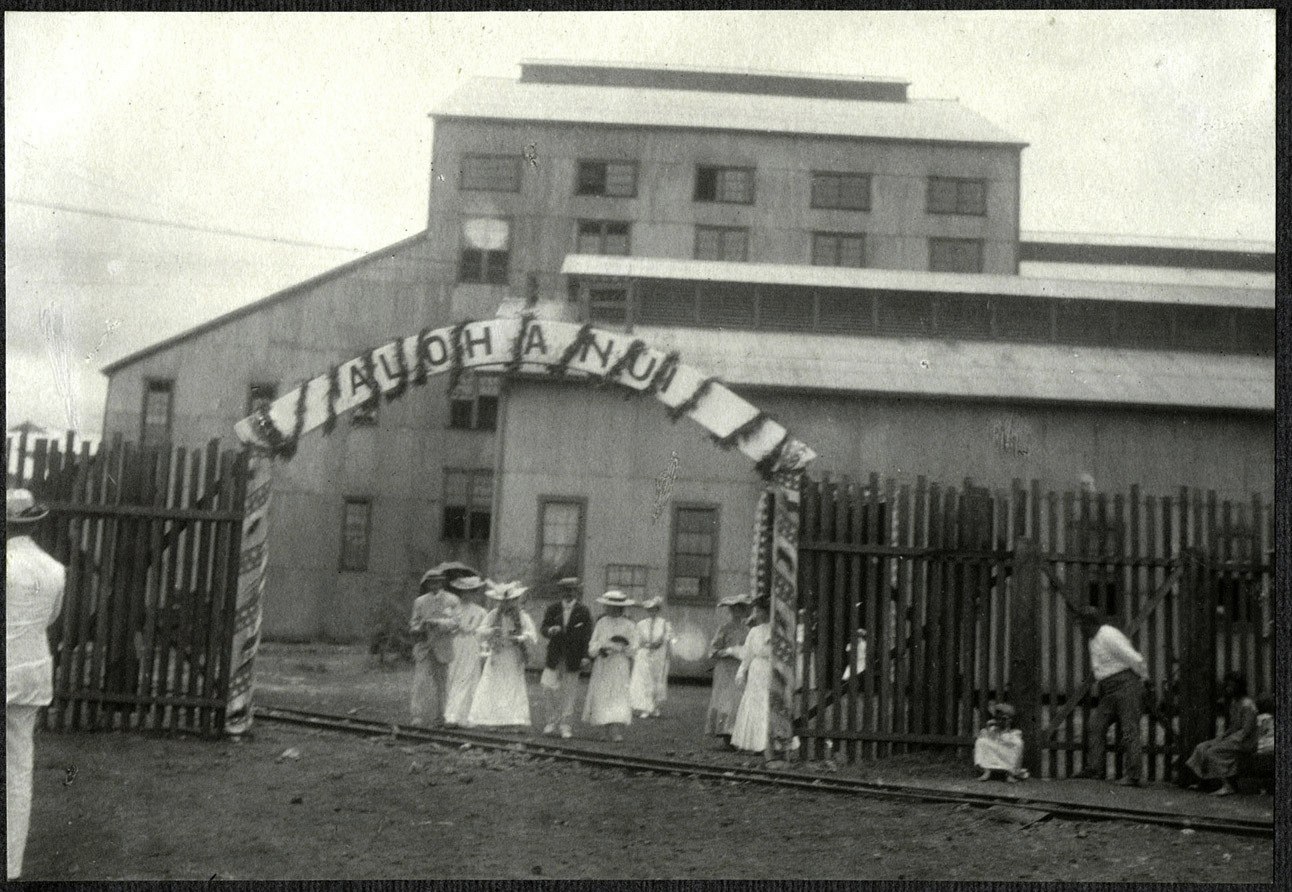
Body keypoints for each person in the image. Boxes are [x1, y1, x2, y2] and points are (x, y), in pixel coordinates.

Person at [7, 488, 66, 880]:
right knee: (18, 768)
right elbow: (49, 619)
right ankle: (10, 867)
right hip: (31, 673)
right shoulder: (54, 568)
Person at [1074, 606, 1149, 786]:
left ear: (1090, 624)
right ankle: (1095, 769)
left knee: (1129, 730)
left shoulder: (1108, 635)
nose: (1080, 630)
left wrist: (1145, 678)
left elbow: (1133, 657)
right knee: (1095, 726)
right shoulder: (1093, 640)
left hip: (1126, 685)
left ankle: (1134, 775)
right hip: (1109, 689)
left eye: (1082, 625)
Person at [467, 582, 538, 730]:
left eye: (510, 601)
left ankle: (513, 719)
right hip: (498, 654)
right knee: (494, 685)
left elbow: (532, 635)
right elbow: (480, 633)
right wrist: (492, 631)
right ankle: (494, 720)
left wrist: (519, 637)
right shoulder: (494, 615)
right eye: (504, 601)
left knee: (512, 686)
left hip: (513, 654)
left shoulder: (521, 616)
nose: (507, 604)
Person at [1183, 671, 1259, 796]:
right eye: (1227, 685)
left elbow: (1246, 731)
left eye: (1232, 685)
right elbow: (1234, 725)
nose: (1228, 688)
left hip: (1246, 741)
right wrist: (1223, 737)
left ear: (1239, 687)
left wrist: (1226, 741)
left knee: (1213, 752)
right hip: (1235, 738)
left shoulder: (1248, 705)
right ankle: (1204, 782)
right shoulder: (1235, 702)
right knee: (1202, 747)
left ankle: (1227, 786)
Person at [539, 577, 593, 738]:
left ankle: (565, 725)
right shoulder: (553, 609)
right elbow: (543, 628)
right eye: (565, 590)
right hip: (555, 655)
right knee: (548, 687)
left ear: (576, 591)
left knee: (569, 691)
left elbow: (587, 635)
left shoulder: (583, 611)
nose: (568, 593)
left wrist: (585, 656)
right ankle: (551, 721)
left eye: (571, 590)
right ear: (561, 592)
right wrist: (550, 630)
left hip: (573, 657)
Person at [409, 566, 462, 727]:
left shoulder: (452, 600)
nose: (434, 586)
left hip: (443, 647)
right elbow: (413, 623)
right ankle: (417, 716)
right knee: (420, 682)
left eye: (437, 582)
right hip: (424, 647)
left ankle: (442, 715)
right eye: (430, 583)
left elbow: (456, 623)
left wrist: (438, 623)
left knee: (442, 683)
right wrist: (421, 627)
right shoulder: (420, 601)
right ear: (427, 584)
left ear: (442, 583)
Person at [583, 590, 639, 742]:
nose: (611, 609)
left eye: (615, 607)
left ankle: (616, 731)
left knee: (618, 696)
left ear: (621, 608)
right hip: (603, 664)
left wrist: (621, 648)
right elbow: (592, 645)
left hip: (620, 665)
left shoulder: (629, 625)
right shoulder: (601, 623)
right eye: (608, 606)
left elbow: (634, 647)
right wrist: (601, 647)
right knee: (602, 695)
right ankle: (602, 730)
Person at [442, 575, 489, 728]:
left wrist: (482, 648)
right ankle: (450, 714)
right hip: (456, 643)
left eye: (470, 592)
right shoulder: (452, 609)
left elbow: (482, 632)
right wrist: (453, 625)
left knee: (468, 678)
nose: (466, 595)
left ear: (474, 593)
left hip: (471, 644)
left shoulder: (480, 611)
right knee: (452, 676)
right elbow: (447, 627)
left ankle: (462, 716)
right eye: (463, 592)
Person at [706, 594, 752, 741]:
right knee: (725, 699)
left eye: (740, 609)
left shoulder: (748, 629)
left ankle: (735, 733)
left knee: (738, 699)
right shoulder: (724, 628)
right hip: (725, 669)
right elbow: (713, 651)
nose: (737, 613)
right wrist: (728, 651)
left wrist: (743, 654)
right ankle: (724, 732)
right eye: (734, 610)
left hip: (739, 668)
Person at [730, 597, 773, 753]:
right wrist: (741, 671)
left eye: (761, 611)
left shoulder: (776, 630)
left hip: (769, 669)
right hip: (756, 669)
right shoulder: (754, 631)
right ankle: (754, 742)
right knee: (753, 701)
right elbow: (747, 654)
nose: (758, 614)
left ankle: (766, 742)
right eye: (757, 611)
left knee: (766, 701)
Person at [629, 597, 676, 718]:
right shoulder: (641, 624)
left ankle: (655, 707)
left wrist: (661, 643)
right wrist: (642, 647)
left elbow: (670, 638)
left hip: (659, 655)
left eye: (654, 609)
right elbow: (636, 641)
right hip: (644, 654)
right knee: (644, 680)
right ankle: (645, 708)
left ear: (658, 610)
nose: (652, 612)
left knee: (657, 681)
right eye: (649, 609)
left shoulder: (664, 624)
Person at [973, 701, 1028, 782]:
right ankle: (987, 771)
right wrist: (988, 728)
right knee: (981, 742)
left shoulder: (1015, 732)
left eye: (1004, 719)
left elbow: (1010, 741)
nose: (1000, 721)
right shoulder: (992, 729)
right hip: (994, 750)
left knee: (1018, 743)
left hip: (1006, 751)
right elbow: (984, 736)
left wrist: (1005, 730)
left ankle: (1009, 773)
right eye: (998, 718)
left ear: (1010, 720)